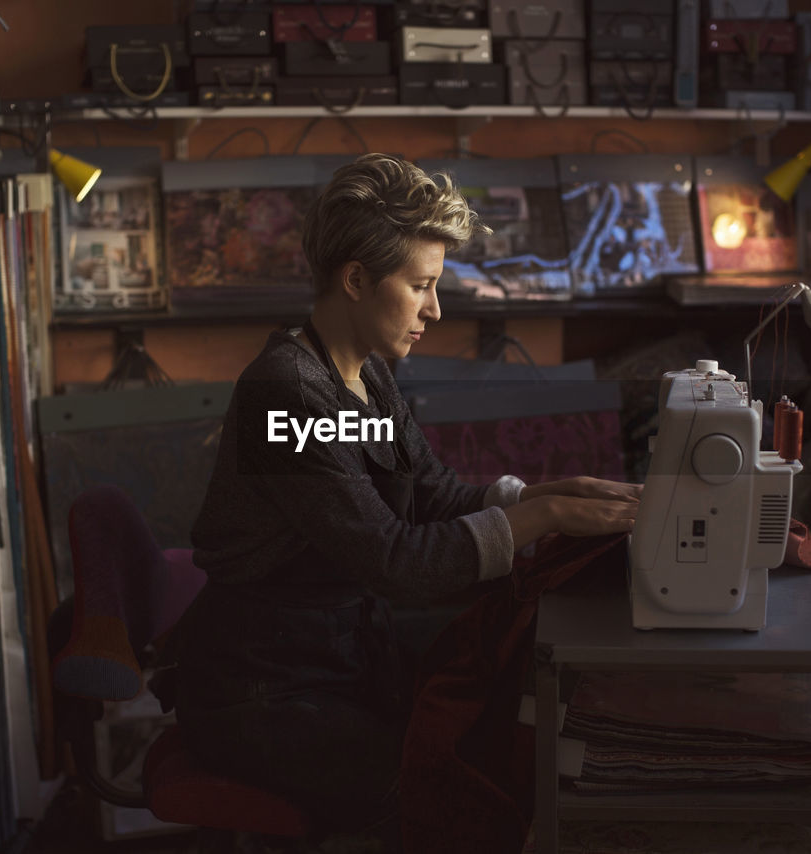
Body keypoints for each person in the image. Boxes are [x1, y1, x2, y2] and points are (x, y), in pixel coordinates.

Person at [173, 153, 639, 847]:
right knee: (438, 784)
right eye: (421, 286)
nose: (436, 309)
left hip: (331, 655)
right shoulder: (291, 394)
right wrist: (541, 518)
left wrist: (550, 493)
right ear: (356, 279)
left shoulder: (365, 376)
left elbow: (431, 494)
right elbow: (398, 562)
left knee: (492, 699)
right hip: (263, 689)